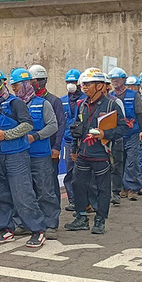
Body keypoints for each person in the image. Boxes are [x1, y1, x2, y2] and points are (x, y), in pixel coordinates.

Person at [0, 68, 44, 248]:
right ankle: (6, 229)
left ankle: (38, 230)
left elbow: (27, 125)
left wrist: (6, 135)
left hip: (16, 156)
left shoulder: (16, 103)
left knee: (22, 194)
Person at [65, 68, 129, 235]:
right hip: (83, 153)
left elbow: (123, 128)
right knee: (78, 185)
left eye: (88, 84)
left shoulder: (111, 104)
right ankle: (81, 217)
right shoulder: (82, 105)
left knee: (102, 189)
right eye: (83, 84)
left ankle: (100, 220)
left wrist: (104, 134)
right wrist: (74, 148)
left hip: (102, 154)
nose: (84, 87)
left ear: (100, 86)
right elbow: (77, 127)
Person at [9, 68, 59, 239]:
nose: (14, 89)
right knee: (21, 191)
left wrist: (36, 136)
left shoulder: (43, 104)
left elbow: (53, 126)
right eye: (13, 87)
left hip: (39, 155)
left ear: (26, 84)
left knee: (45, 190)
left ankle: (50, 224)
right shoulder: (13, 105)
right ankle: (23, 223)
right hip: (19, 155)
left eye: (16, 86)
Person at [107, 67, 142, 202]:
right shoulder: (110, 97)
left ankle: (132, 188)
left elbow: (139, 114)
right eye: (112, 80)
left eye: (117, 79)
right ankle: (121, 188)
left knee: (131, 161)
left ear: (124, 80)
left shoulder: (134, 95)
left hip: (132, 133)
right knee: (118, 162)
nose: (115, 82)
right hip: (117, 134)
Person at [29, 64, 66, 186]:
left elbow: (60, 125)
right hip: (33, 150)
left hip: (49, 148)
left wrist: (56, 147)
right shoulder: (28, 101)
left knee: (51, 182)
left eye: (33, 81)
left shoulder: (54, 101)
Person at [61, 68, 83, 212]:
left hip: (84, 141)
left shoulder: (85, 100)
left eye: (73, 82)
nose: (71, 84)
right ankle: (73, 200)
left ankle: (86, 201)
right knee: (70, 172)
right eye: (68, 82)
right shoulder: (62, 101)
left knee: (84, 173)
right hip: (69, 141)